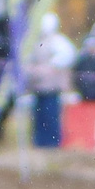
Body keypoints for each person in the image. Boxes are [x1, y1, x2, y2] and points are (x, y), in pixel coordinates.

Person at [25, 12, 74, 147]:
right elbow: (28, 59)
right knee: (39, 116)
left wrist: (50, 66)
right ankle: (40, 142)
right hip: (38, 87)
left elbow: (67, 56)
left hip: (52, 88)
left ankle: (52, 143)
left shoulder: (57, 41)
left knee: (51, 115)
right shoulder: (36, 42)